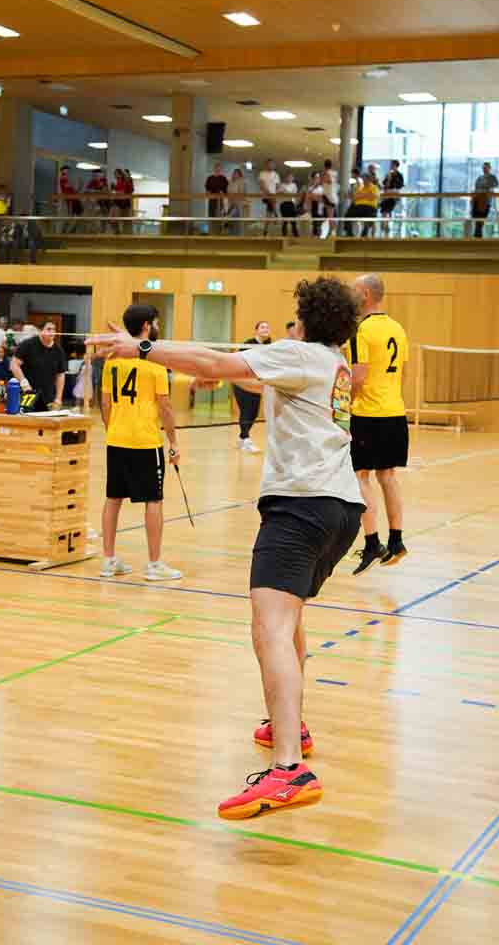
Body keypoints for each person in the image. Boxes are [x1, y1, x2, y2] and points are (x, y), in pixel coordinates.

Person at [88, 276, 363, 820]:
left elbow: (214, 361)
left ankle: (289, 769)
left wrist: (141, 347)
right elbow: (241, 375)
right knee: (290, 620)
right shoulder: (333, 364)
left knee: (270, 629)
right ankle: (290, 727)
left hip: (300, 506)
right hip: (339, 508)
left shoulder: (299, 354)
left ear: (307, 319)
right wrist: (212, 369)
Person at [99, 303, 182, 582]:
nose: (157, 326)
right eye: (155, 322)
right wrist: (173, 442)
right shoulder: (154, 361)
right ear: (147, 326)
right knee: (153, 500)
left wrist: (113, 429)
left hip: (116, 438)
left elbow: (105, 403)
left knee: (113, 498)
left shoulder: (113, 359)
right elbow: (165, 407)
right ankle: (155, 564)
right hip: (145, 441)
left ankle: (108, 560)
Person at [343, 274, 409, 572]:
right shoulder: (397, 328)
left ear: (366, 294)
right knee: (388, 476)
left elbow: (358, 376)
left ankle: (372, 544)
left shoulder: (361, 330)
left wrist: (345, 406)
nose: (351, 294)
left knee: (361, 477)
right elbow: (402, 373)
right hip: (395, 412)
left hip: (368, 414)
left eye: (354, 290)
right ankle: (397, 541)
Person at [233, 321, 271, 452]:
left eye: (267, 327)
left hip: (256, 383)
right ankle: (246, 439)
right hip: (242, 382)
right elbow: (240, 362)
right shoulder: (248, 344)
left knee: (253, 413)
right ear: (256, 330)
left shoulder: (269, 346)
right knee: (246, 411)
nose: (266, 329)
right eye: (262, 327)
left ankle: (242, 438)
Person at [11, 320, 67, 409]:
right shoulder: (28, 344)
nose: (52, 332)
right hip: (27, 394)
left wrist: (58, 398)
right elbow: (14, 364)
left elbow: (60, 375)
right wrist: (24, 383)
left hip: (48, 397)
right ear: (40, 331)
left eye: (54, 329)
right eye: (49, 329)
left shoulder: (58, 350)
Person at [346, 170, 379, 237]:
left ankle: (364, 234)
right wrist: (365, 195)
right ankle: (349, 234)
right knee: (348, 214)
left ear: (369, 180)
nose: (364, 181)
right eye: (363, 179)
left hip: (369, 207)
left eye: (365, 179)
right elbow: (355, 198)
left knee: (368, 217)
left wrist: (361, 196)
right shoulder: (360, 188)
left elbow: (373, 196)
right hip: (358, 206)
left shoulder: (374, 187)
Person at [472, 162, 498, 238]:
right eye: (483, 168)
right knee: (476, 218)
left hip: (486, 201)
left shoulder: (492, 177)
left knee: (482, 217)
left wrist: (486, 188)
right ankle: (477, 235)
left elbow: (495, 185)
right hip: (477, 199)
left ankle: (478, 235)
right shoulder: (479, 178)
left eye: (486, 168)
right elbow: (476, 188)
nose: (484, 169)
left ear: (489, 168)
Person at [380, 160, 404, 235]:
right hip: (387, 194)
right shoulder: (388, 174)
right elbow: (385, 184)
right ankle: (385, 226)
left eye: (392, 165)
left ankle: (386, 226)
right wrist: (388, 179)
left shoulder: (399, 175)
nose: (391, 166)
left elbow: (400, 185)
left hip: (393, 195)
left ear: (396, 166)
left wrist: (394, 187)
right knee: (384, 210)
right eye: (391, 165)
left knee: (387, 209)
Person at [258, 159, 280, 234]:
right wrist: (269, 193)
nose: (270, 165)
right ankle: (276, 215)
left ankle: (265, 230)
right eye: (269, 164)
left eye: (272, 164)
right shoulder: (262, 173)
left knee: (269, 212)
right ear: (266, 165)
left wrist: (275, 193)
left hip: (273, 197)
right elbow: (262, 185)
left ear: (274, 165)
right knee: (271, 206)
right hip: (266, 195)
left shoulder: (276, 175)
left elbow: (277, 186)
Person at [205, 162, 228, 231]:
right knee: (211, 215)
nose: (217, 169)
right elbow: (207, 188)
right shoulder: (210, 178)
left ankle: (220, 230)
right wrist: (208, 193)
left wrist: (222, 192)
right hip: (212, 199)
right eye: (216, 168)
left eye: (219, 168)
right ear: (214, 169)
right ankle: (211, 230)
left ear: (221, 169)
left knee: (220, 215)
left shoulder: (223, 178)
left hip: (220, 200)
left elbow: (226, 189)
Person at [226, 167, 247, 235]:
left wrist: (236, 199)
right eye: (234, 173)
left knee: (238, 220)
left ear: (239, 174)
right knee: (231, 220)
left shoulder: (242, 182)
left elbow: (242, 192)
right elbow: (228, 191)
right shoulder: (230, 182)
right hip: (231, 203)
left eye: (236, 173)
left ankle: (240, 235)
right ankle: (231, 235)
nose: (235, 175)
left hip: (238, 203)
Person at [279, 172, 299, 238]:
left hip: (291, 204)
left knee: (293, 222)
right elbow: (279, 192)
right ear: (285, 178)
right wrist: (285, 192)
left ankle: (296, 236)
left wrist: (286, 192)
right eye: (288, 177)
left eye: (290, 177)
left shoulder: (294, 185)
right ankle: (284, 237)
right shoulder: (282, 185)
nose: (289, 178)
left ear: (293, 178)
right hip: (284, 204)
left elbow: (294, 194)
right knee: (285, 221)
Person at [322, 158, 339, 233]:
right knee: (332, 216)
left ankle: (332, 232)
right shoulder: (335, 173)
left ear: (324, 166)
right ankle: (332, 231)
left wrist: (323, 179)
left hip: (329, 196)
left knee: (330, 216)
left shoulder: (326, 173)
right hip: (333, 196)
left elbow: (329, 181)